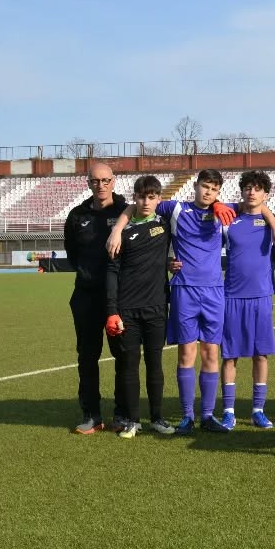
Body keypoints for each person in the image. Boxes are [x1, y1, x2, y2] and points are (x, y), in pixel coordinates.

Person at [107, 169, 275, 434]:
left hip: (214, 292)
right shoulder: (176, 209)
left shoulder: (225, 212)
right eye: (204, 186)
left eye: (214, 189)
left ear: (219, 192)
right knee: (187, 353)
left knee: (211, 353)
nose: (208, 192)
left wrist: (274, 224)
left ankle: (207, 415)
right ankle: (187, 416)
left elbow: (257, 205)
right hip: (184, 290)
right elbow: (139, 203)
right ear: (195, 186)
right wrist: (118, 229)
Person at [104, 175, 174, 438]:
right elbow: (112, 272)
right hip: (128, 310)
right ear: (134, 198)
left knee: (155, 365)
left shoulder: (165, 224)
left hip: (157, 307)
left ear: (158, 199)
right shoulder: (121, 233)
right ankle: (133, 421)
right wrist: (112, 310)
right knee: (129, 366)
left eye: (151, 197)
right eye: (141, 197)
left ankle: (157, 418)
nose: (146, 202)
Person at [64, 161, 128, 433]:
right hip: (86, 297)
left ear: (113, 181)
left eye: (105, 180)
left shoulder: (126, 211)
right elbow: (72, 254)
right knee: (87, 357)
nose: (100, 185)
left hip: (119, 298)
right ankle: (91, 415)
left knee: (123, 356)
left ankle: (123, 414)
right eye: (95, 181)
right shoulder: (77, 215)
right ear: (88, 183)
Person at [220, 171, 275, 430]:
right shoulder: (229, 218)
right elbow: (214, 207)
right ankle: (228, 411)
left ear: (265, 194)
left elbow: (267, 215)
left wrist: (274, 223)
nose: (251, 192)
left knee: (261, 355)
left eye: (257, 189)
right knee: (230, 356)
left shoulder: (271, 221)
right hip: (232, 296)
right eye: (247, 188)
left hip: (261, 296)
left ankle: (258, 410)